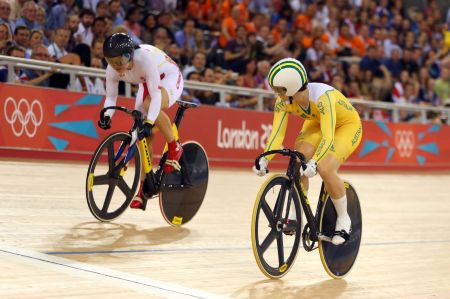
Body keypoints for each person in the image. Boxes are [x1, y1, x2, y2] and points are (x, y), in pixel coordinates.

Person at [253, 58, 362, 245]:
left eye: (279, 89)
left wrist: (315, 161)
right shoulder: (283, 102)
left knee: (325, 168)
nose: (275, 93)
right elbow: (276, 135)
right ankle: (296, 214)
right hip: (318, 122)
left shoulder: (322, 98)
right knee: (298, 158)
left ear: (291, 88)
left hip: (346, 126)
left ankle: (344, 219)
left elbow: (328, 137)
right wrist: (264, 158)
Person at [98, 33, 184, 210]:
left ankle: (175, 146)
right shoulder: (112, 69)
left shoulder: (144, 59)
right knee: (142, 134)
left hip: (168, 76)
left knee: (148, 105)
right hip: (147, 83)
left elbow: (155, 95)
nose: (116, 66)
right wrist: (106, 117)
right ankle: (143, 189)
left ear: (129, 55)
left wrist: (150, 121)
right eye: (111, 61)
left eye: (120, 61)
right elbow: (111, 98)